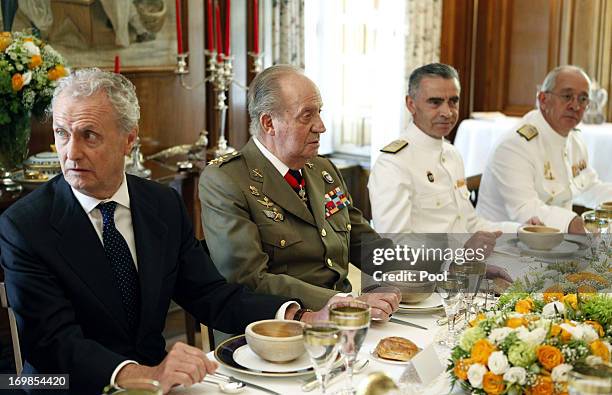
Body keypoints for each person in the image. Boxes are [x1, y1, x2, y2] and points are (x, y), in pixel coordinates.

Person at [0, 69, 340, 395]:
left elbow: (211, 296)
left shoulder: (160, 204)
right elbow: (51, 344)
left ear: (128, 140)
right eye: (62, 133)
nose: (71, 152)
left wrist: (300, 316)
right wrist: (144, 375)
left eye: (89, 135)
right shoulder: (26, 225)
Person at [199, 65, 402, 315]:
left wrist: (419, 269)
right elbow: (248, 278)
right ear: (269, 123)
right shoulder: (227, 180)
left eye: (319, 113)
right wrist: (342, 301)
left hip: (344, 319)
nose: (321, 126)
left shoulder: (323, 170)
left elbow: (362, 241)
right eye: (307, 116)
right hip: (276, 328)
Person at [369, 63, 522, 237]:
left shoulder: (451, 154)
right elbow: (395, 245)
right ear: (411, 104)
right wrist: (460, 253)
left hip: (465, 260)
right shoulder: (393, 163)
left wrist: (520, 230)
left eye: (453, 101)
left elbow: (470, 224)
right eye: (435, 102)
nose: (447, 112)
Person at [477, 65, 612, 233]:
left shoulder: (574, 140)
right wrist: (573, 223)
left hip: (553, 245)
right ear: (543, 99)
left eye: (583, 99)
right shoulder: (515, 146)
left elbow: (589, 187)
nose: (575, 106)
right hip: (504, 246)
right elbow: (526, 209)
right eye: (567, 96)